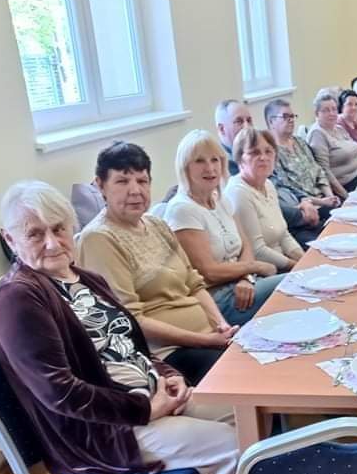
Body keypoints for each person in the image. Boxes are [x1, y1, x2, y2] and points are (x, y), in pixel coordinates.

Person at [0, 180, 261, 474]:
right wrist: (145, 408)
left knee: (247, 412)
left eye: (58, 228)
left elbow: (132, 348)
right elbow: (60, 393)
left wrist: (170, 378)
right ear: (10, 238)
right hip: (103, 432)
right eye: (34, 234)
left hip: (147, 403)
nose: (52, 243)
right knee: (236, 448)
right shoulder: (20, 299)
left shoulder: (85, 280)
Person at [77, 142, 237, 387]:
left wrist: (221, 325)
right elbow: (132, 319)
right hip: (169, 353)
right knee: (246, 374)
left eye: (142, 181)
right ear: (100, 185)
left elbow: (194, 284)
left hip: (208, 336)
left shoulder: (156, 224)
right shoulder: (98, 238)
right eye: (122, 181)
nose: (135, 191)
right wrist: (205, 341)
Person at [163, 129, 284, 326]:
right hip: (217, 298)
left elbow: (246, 245)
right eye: (200, 161)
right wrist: (254, 267)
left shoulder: (220, 198)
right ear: (185, 167)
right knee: (293, 285)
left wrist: (246, 278)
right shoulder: (182, 209)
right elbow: (208, 271)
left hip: (245, 285)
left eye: (215, 160)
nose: (210, 168)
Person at [224, 129, 305, 272]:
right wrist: (298, 267)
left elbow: (284, 235)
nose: (263, 157)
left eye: (268, 151)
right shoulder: (238, 192)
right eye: (254, 152)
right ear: (240, 159)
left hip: (284, 262)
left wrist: (305, 259)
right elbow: (257, 250)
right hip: (265, 270)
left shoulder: (268, 184)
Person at [264, 97, 339, 247]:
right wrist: (321, 202)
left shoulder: (299, 142)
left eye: (292, 116)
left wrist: (329, 195)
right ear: (271, 122)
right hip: (307, 210)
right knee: (333, 239)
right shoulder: (271, 152)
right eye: (286, 116)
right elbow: (288, 189)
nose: (291, 120)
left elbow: (318, 170)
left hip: (324, 200)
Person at [308, 90, 357, 198]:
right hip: (349, 185)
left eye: (334, 109)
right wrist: (346, 196)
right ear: (317, 113)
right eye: (326, 110)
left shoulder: (338, 128)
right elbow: (324, 171)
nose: (332, 113)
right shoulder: (317, 134)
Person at [215, 99, 255, 176]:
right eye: (239, 121)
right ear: (222, 129)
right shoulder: (221, 163)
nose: (247, 126)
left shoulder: (259, 151)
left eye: (249, 120)